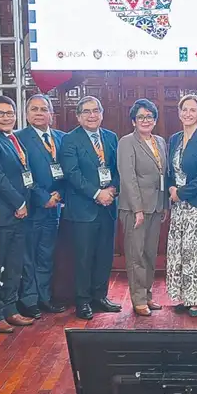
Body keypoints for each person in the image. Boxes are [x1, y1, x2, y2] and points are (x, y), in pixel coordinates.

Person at [59, 95, 121, 320]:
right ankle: (83, 301)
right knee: (84, 258)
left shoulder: (112, 137)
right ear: (78, 116)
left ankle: (100, 296)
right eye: (86, 111)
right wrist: (97, 193)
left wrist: (112, 190)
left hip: (108, 207)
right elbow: (71, 173)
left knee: (104, 255)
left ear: (102, 114)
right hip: (83, 208)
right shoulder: (70, 140)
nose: (92, 115)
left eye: (96, 110)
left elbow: (118, 168)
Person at [0, 96, 35, 333]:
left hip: (20, 214)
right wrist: (19, 202)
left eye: (9, 113)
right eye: (0, 114)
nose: (6, 117)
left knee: (14, 265)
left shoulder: (13, 138)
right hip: (3, 214)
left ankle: (11, 309)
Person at [15, 94, 67, 317]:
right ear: (26, 115)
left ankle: (44, 298)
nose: (39, 113)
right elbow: (22, 175)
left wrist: (59, 194)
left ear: (51, 114)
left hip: (54, 209)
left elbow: (69, 171)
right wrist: (43, 196)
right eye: (34, 109)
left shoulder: (62, 138)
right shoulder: (18, 139)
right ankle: (29, 300)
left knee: (46, 255)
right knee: (29, 257)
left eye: (43, 109)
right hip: (32, 208)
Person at [166, 94, 197, 317]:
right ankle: (184, 297)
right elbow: (169, 172)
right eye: (184, 109)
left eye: (192, 110)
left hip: (196, 205)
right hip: (177, 206)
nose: (188, 113)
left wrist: (181, 193)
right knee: (180, 252)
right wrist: (171, 190)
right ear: (179, 113)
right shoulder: (174, 139)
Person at [117, 99, 169, 316]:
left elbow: (164, 175)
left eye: (149, 116)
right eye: (141, 117)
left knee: (149, 254)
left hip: (156, 207)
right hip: (134, 209)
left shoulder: (160, 142)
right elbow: (128, 177)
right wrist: (137, 209)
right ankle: (138, 299)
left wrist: (164, 204)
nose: (145, 120)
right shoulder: (127, 142)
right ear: (133, 121)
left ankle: (147, 294)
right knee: (135, 254)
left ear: (155, 120)